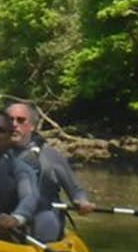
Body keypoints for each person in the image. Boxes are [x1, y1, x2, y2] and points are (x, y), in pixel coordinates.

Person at [6, 100, 94, 241]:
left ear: (32, 126)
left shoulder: (50, 155)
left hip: (43, 214)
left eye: (21, 120)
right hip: (7, 215)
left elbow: (76, 191)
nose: (14, 124)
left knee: (45, 218)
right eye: (10, 120)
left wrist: (81, 202)